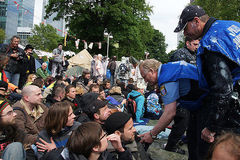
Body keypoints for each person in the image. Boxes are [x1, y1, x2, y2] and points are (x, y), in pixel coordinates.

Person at [174, 5, 240, 159]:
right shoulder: (233, 26)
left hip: (233, 109)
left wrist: (211, 127)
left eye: (185, 28)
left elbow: (223, 90)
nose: (185, 34)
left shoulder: (212, 42)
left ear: (196, 21)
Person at [139, 59, 207, 159]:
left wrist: (152, 134)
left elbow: (169, 113)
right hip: (203, 102)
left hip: (206, 107)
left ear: (152, 71)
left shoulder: (166, 78)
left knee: (198, 147)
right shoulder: (170, 68)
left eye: (144, 77)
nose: (145, 81)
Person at [165, 37, 199, 154]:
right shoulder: (180, 54)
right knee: (181, 122)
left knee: (189, 122)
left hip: (191, 95)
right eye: (194, 44)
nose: (197, 46)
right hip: (181, 95)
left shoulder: (195, 54)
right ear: (187, 43)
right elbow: (178, 76)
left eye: (198, 44)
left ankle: (182, 140)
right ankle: (171, 146)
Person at [58, 121, 132, 160]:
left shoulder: (104, 155)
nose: (106, 136)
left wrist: (121, 150)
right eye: (104, 135)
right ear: (96, 147)